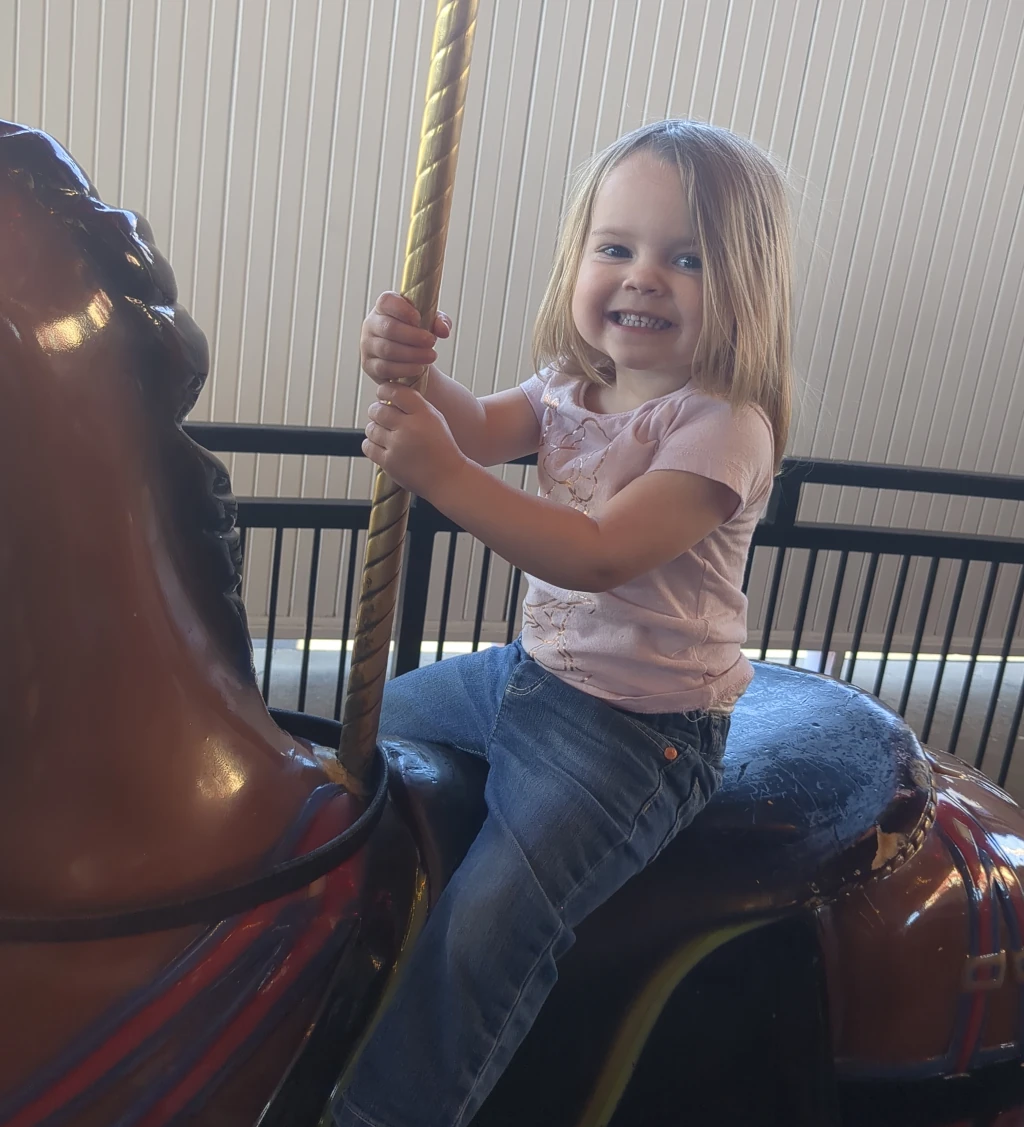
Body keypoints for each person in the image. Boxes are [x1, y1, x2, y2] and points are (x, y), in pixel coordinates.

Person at [334, 118, 793, 1127]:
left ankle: (386, 1110)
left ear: (745, 281)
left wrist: (440, 474)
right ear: (579, 261)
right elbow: (478, 423)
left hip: (636, 735)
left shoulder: (722, 427)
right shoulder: (569, 388)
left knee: (491, 924)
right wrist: (409, 365)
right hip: (522, 677)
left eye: (687, 257)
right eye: (617, 248)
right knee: (350, 744)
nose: (644, 277)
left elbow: (594, 552)